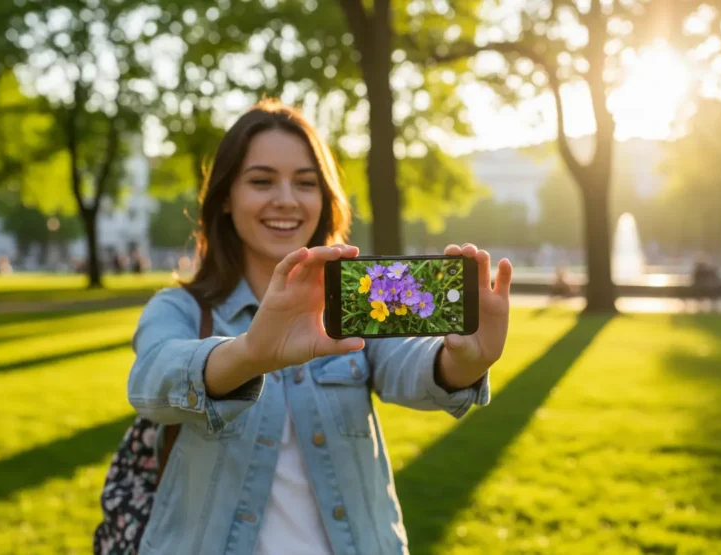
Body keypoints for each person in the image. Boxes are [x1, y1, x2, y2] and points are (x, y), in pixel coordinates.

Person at [125, 99, 513, 554]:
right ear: (226, 197)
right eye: (261, 180)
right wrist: (249, 354)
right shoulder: (181, 308)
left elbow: (409, 364)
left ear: (324, 198)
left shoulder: (355, 298)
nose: (286, 199)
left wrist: (463, 361)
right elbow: (150, 379)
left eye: (305, 183)